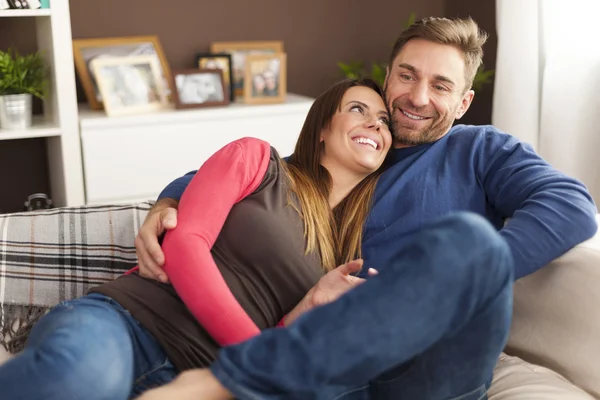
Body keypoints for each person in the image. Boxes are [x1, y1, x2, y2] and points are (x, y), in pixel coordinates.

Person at [135, 16, 597, 399]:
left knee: (470, 241)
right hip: (338, 367)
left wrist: (470, 275)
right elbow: (259, 174)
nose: (418, 97)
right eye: (408, 76)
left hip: (434, 365)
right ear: (389, 75)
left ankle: (237, 379)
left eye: (440, 86)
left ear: (463, 103)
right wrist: (171, 199)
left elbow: (571, 204)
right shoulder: (357, 151)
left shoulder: (480, 150)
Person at [0, 78, 395, 399]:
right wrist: (254, 355)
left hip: (211, 381)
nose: (375, 123)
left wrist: (304, 310)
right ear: (323, 127)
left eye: (384, 121)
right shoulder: (260, 162)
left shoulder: (348, 254)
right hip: (132, 324)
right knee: (77, 384)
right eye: (358, 109)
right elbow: (184, 245)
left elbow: (284, 339)